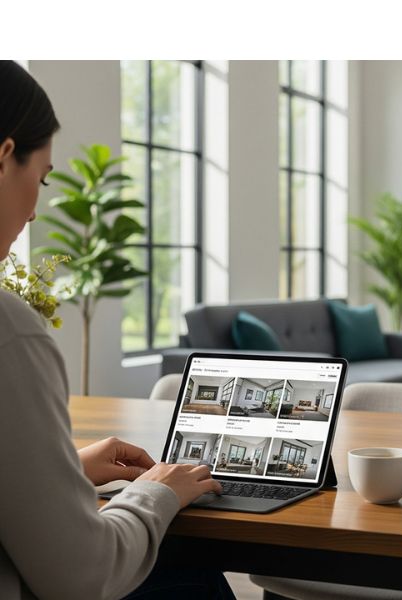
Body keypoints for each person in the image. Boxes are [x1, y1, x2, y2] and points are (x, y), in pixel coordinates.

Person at [0, 61, 233, 599]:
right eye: (41, 179)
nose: (34, 213)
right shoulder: (9, 331)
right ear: (4, 157)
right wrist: (156, 492)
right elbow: (83, 575)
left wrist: (66, 471)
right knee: (189, 573)